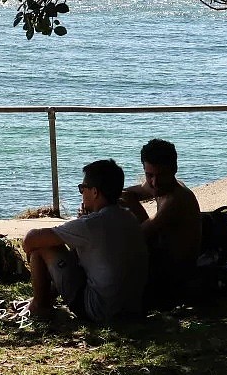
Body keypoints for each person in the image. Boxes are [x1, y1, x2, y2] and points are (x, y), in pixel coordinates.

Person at [22, 159, 148, 323]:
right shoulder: (128, 217)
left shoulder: (91, 224)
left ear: (95, 192)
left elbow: (30, 240)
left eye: (83, 188)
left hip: (100, 311)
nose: (81, 193)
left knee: (42, 248)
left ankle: (39, 307)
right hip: (133, 309)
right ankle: (44, 300)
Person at [119, 138, 202, 308]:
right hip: (160, 262)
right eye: (149, 175)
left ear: (174, 170)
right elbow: (126, 194)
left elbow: (141, 235)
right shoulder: (161, 186)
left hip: (174, 276)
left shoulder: (177, 198)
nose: (154, 183)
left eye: (161, 175)